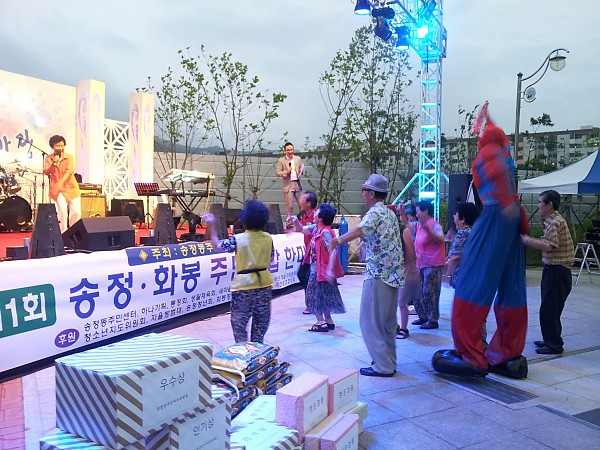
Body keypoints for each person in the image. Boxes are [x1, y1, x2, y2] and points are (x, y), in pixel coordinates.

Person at [432, 102, 529, 379]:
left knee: (472, 282)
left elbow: (494, 169)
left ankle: (471, 355)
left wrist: (503, 203)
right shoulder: (504, 152)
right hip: (512, 220)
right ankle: (507, 353)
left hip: (496, 215)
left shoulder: (488, 154)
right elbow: (499, 140)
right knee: (512, 288)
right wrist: (488, 119)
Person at [329, 174, 403, 377]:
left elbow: (360, 230)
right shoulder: (389, 213)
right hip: (393, 275)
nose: (363, 194)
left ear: (371, 193)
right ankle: (389, 361)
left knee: (370, 321)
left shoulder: (375, 212)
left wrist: (338, 240)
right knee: (387, 324)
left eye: (364, 190)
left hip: (378, 274)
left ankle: (383, 366)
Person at [203, 200, 274, 344]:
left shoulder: (238, 239)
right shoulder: (268, 238)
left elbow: (217, 246)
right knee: (260, 327)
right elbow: (271, 259)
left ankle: (242, 351)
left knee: (239, 326)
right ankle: (257, 352)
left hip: (243, 287)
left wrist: (212, 225)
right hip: (265, 285)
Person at [522, 190, 574, 355]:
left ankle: (554, 344)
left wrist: (526, 240)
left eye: (540, 202)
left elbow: (548, 245)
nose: (538, 206)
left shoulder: (555, 222)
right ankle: (550, 339)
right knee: (549, 308)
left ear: (549, 204)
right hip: (554, 270)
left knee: (550, 309)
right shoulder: (553, 221)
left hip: (557, 271)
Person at [288, 203, 345, 332]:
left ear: (321, 218)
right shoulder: (316, 229)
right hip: (319, 269)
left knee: (313, 296)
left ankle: (320, 322)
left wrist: (329, 270)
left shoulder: (325, 233)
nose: (314, 214)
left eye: (317, 213)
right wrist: (295, 221)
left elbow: (333, 251)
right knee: (324, 295)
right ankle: (328, 321)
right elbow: (301, 229)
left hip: (319, 270)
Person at [406, 200, 446, 330]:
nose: (416, 214)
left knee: (429, 292)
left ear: (426, 211)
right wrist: (401, 212)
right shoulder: (419, 224)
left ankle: (432, 319)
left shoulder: (434, 224)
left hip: (433, 264)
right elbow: (407, 225)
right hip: (421, 263)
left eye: (418, 211)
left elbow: (441, 239)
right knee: (417, 291)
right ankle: (423, 316)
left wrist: (428, 230)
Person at [43, 135, 81, 233]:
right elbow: (46, 172)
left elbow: (69, 171)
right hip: (57, 189)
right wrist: (53, 163)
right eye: (58, 146)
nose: (60, 148)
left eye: (62, 145)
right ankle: (62, 234)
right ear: (53, 146)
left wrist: (61, 182)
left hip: (71, 187)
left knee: (76, 212)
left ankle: (74, 233)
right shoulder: (49, 158)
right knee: (62, 211)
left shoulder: (69, 157)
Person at [446, 202, 480, 288]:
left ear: (462, 219)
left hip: (462, 278)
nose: (454, 219)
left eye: (455, 216)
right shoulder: (475, 232)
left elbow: (456, 257)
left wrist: (449, 273)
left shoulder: (462, 233)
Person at [396, 215, 418, 340]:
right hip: (392, 269)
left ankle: (404, 328)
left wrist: (410, 270)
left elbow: (411, 254)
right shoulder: (386, 230)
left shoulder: (404, 231)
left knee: (402, 301)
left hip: (404, 268)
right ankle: (394, 326)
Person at [296, 191, 318, 314]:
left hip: (314, 253)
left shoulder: (316, 217)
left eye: (303, 199)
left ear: (309, 203)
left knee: (308, 277)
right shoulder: (304, 215)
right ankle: (311, 301)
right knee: (302, 275)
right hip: (307, 252)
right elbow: (301, 229)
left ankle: (312, 303)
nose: (300, 202)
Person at [276, 142, 304, 216]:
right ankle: (290, 221)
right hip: (288, 185)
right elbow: (278, 173)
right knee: (289, 207)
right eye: (288, 150)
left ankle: (303, 221)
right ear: (285, 151)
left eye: (291, 149)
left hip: (298, 184)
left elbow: (301, 169)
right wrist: (286, 172)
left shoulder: (298, 159)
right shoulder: (281, 160)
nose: (290, 151)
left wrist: (301, 170)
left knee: (302, 205)